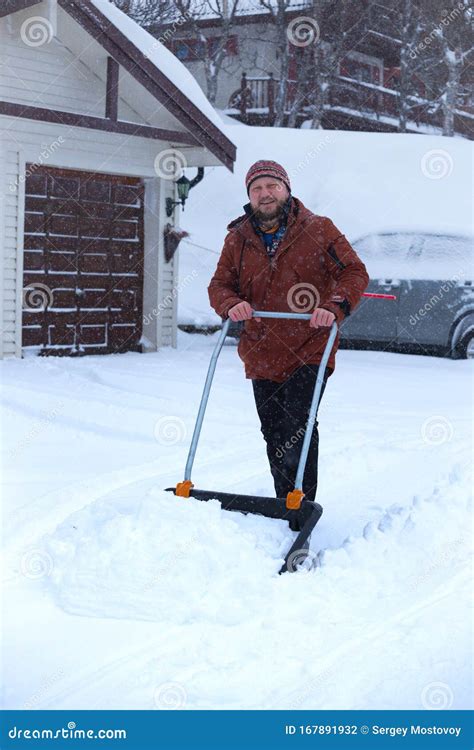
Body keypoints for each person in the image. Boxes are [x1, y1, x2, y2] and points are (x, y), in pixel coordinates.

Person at [208, 160, 369, 504]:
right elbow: (220, 285)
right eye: (257, 189)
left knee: (297, 426)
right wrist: (230, 303)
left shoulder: (320, 229)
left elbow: (354, 272)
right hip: (261, 350)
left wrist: (333, 305)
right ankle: (285, 503)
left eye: (272, 186)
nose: (265, 194)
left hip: (309, 347)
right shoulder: (237, 238)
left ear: (287, 188)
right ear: (249, 197)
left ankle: (301, 504)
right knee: (274, 432)